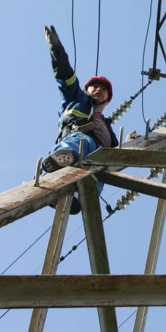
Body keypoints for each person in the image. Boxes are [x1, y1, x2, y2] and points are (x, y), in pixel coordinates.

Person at [43, 25, 119, 214]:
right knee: (79, 143)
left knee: (95, 177)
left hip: (100, 156)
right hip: (79, 138)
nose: (98, 90)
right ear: (86, 90)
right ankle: (59, 162)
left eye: (103, 90)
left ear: (107, 100)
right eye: (94, 87)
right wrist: (56, 48)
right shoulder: (77, 98)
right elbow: (65, 75)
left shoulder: (107, 128)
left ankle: (77, 196)